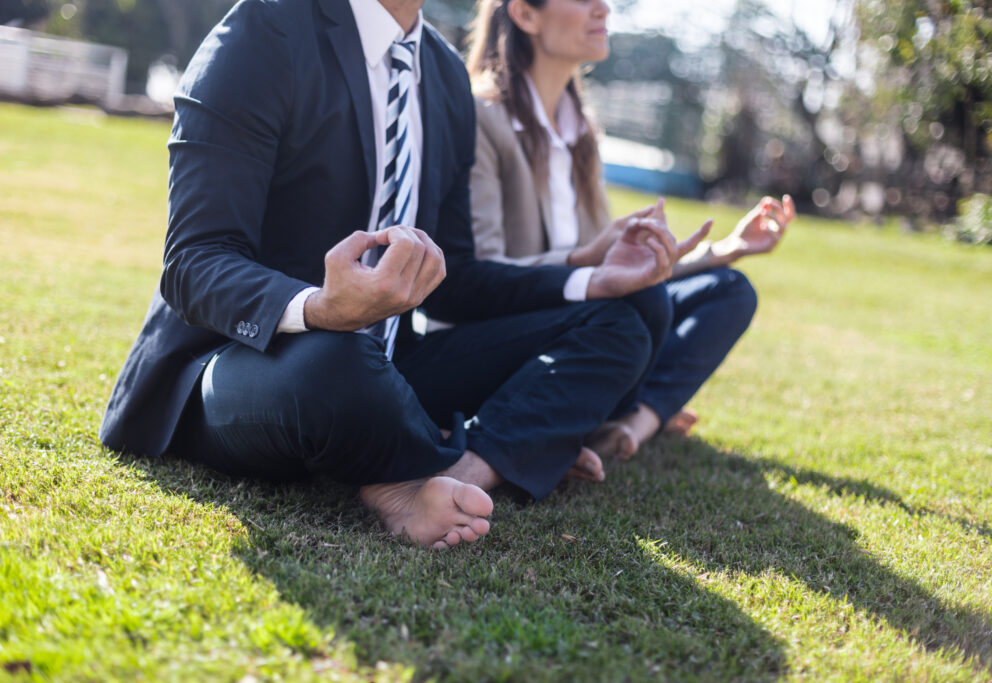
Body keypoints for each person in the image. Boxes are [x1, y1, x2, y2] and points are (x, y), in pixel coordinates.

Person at [99, 0, 694, 549]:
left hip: (391, 364)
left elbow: (456, 277)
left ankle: (463, 468)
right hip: (244, 362)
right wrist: (318, 308)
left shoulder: (441, 73)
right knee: (337, 362)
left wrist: (588, 280)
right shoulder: (265, 31)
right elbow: (194, 261)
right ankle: (447, 453)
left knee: (631, 315)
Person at [465, 0, 797, 458]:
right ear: (525, 14)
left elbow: (616, 272)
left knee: (729, 290)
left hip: (591, 318)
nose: (602, 7)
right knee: (637, 305)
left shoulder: (579, 129)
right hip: (519, 333)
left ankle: (631, 425)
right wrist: (585, 268)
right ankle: (618, 416)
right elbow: (480, 275)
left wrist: (726, 249)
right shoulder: (481, 118)